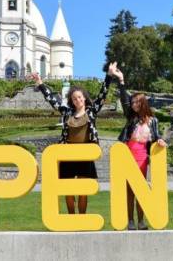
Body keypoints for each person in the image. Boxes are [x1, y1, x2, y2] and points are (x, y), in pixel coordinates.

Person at [29, 62, 118, 214]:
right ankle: (71, 217)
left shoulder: (92, 112)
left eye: (80, 97)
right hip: (67, 155)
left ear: (84, 98)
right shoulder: (66, 113)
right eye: (74, 98)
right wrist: (40, 83)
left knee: (83, 190)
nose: (77, 100)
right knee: (68, 190)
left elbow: (103, 94)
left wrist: (109, 75)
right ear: (72, 100)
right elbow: (52, 100)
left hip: (85, 155)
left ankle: (82, 217)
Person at [115, 66, 167, 230]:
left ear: (143, 102)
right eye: (133, 102)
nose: (133, 103)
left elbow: (156, 135)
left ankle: (141, 221)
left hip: (143, 157)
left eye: (137, 101)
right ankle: (130, 221)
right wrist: (121, 81)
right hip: (128, 154)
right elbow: (124, 99)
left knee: (142, 189)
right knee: (129, 190)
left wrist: (160, 141)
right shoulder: (131, 117)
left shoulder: (153, 120)